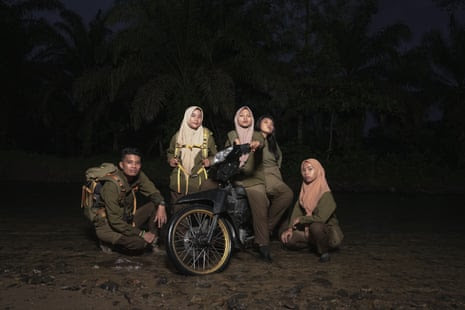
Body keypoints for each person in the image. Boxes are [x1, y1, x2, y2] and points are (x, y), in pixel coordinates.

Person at [94, 147, 168, 254]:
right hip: (109, 225)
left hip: (126, 219)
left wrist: (161, 204)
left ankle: (153, 242)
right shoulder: (111, 186)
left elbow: (153, 192)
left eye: (137, 163)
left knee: (155, 205)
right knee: (139, 243)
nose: (134, 166)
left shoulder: (139, 175)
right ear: (121, 165)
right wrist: (142, 234)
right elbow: (115, 222)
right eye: (129, 162)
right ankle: (107, 241)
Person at [225, 106, 274, 262]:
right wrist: (234, 144)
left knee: (260, 205)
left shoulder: (258, 135)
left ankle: (263, 245)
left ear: (252, 119)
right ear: (236, 119)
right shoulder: (231, 135)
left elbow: (260, 142)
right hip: (235, 179)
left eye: (248, 116)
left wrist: (255, 144)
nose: (245, 118)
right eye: (241, 115)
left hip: (254, 181)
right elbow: (225, 154)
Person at [280, 158, 344, 262]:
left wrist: (301, 220)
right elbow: (296, 212)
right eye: (304, 170)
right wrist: (290, 229)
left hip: (329, 234)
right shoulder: (304, 191)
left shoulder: (325, 194)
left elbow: (321, 218)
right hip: (309, 233)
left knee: (316, 226)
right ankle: (313, 247)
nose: (306, 173)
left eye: (310, 169)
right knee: (288, 240)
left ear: (318, 170)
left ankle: (324, 252)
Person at [167, 106, 218, 213]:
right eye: (193, 115)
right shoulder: (178, 136)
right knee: (178, 214)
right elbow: (170, 152)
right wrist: (171, 159)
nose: (196, 119)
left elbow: (215, 156)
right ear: (186, 117)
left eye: (199, 116)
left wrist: (210, 161)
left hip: (199, 183)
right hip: (179, 182)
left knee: (198, 213)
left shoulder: (207, 136)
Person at [255, 114, 293, 237]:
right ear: (259, 124)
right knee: (286, 194)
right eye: (266, 122)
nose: (269, 125)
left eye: (272, 124)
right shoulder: (256, 138)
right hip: (264, 172)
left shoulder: (272, 142)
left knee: (283, 205)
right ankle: (265, 230)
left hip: (276, 173)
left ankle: (285, 236)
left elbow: (279, 158)